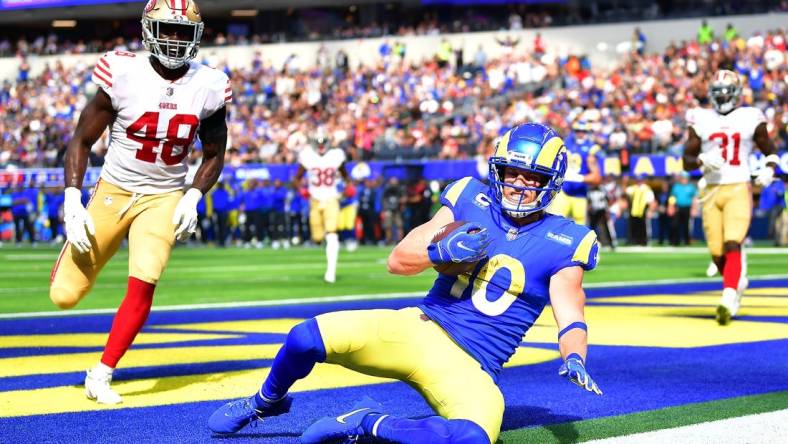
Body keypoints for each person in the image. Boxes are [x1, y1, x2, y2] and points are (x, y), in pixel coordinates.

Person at [207, 123, 602, 444]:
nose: (518, 184)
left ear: (551, 181)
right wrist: (439, 253)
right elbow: (398, 260)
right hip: (419, 327)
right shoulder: (469, 198)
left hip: (473, 365)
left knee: (472, 439)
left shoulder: (567, 239)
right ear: (495, 171)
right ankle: (264, 402)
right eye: (511, 173)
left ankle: (368, 422)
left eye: (531, 176)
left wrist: (573, 356)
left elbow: (571, 312)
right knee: (304, 337)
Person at [48, 0, 229, 404]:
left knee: (145, 278)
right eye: (167, 29)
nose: (175, 39)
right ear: (149, 29)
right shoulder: (122, 71)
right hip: (113, 190)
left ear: (197, 36)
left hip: (163, 196)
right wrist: (73, 198)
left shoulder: (210, 84)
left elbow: (215, 153)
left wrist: (194, 195)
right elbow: (80, 140)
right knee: (64, 295)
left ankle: (102, 373)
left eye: (183, 31)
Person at [683, 69, 779, 325]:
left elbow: (769, 148)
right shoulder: (700, 116)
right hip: (711, 189)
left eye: (726, 92)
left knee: (732, 243)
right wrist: (702, 159)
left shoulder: (750, 116)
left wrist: (769, 169)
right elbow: (686, 161)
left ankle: (727, 297)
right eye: (717, 92)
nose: (722, 97)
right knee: (716, 254)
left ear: (736, 94)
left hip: (738, 185)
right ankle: (737, 281)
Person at [293, 126, 353, 283]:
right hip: (314, 200)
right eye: (318, 142)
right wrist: (301, 190)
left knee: (332, 233)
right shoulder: (307, 155)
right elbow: (297, 178)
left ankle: (331, 272)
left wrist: (348, 187)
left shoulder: (336, 155)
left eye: (323, 142)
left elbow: (345, 175)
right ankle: (326, 248)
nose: (321, 145)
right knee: (318, 237)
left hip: (331, 198)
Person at [548, 120, 602, 226]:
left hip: (580, 193)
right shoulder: (566, 144)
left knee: (579, 227)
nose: (580, 133)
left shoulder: (591, 149)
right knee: (554, 223)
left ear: (588, 132)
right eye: (578, 130)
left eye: (583, 131)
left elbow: (597, 178)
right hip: (563, 190)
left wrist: (579, 178)